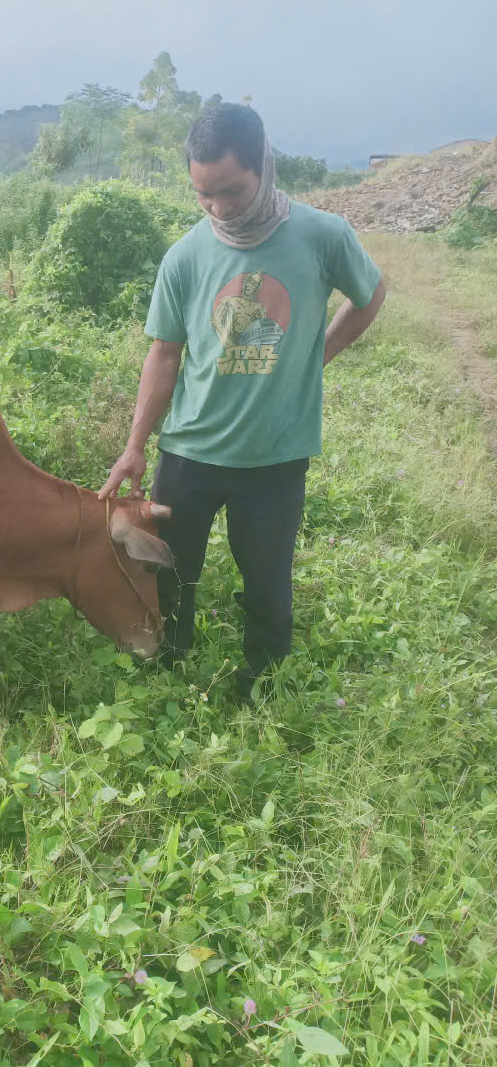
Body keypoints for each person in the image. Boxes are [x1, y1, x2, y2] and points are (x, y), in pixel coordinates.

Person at [99, 103, 386, 699]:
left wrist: (318, 354)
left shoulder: (321, 236)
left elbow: (370, 293)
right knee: (170, 572)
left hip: (274, 457)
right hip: (190, 451)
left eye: (231, 190)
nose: (219, 208)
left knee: (267, 582)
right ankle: (170, 660)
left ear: (264, 165)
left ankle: (265, 675)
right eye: (204, 195)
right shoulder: (184, 256)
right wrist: (133, 448)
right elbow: (165, 356)